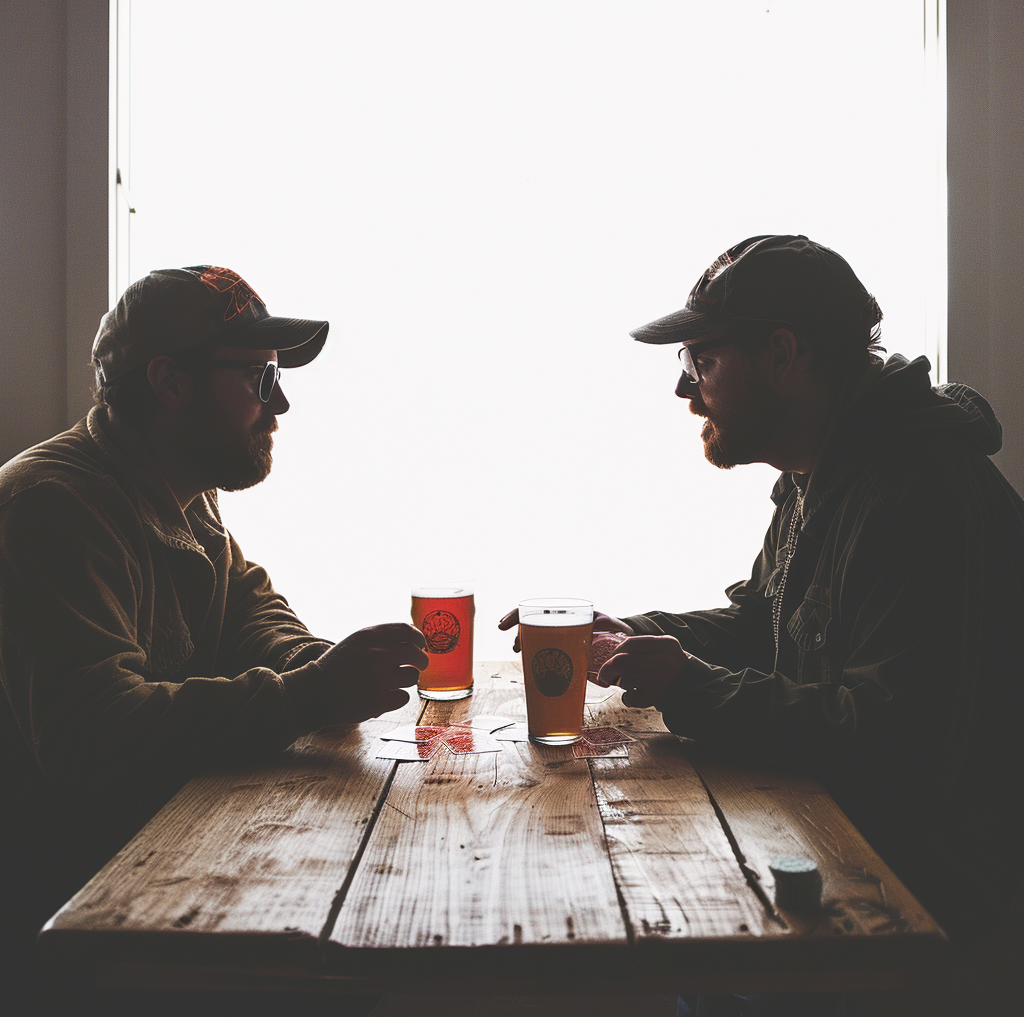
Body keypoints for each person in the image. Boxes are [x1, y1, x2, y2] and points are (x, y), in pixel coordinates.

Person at [500, 234, 1024, 1015]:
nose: (685, 392)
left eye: (701, 361)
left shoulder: (918, 493)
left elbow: (887, 738)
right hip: (856, 856)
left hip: (933, 919)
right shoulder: (824, 471)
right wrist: (627, 634)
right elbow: (762, 623)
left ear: (783, 354)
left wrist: (686, 684)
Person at [0, 266, 427, 1007]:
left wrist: (321, 668)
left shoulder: (176, 487)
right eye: (261, 379)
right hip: (62, 921)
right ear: (170, 383)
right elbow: (91, 736)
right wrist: (314, 693)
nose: (282, 403)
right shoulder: (54, 506)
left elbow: (247, 612)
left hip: (139, 865)